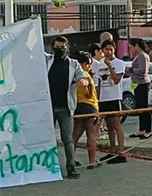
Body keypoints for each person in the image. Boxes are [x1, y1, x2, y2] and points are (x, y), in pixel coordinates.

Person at [47, 36, 89, 179]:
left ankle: (71, 168)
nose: (59, 50)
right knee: (47, 139)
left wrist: (83, 80)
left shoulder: (73, 64)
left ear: (67, 47)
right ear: (53, 47)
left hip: (66, 107)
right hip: (48, 107)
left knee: (68, 140)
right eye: (57, 47)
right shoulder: (46, 60)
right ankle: (48, 168)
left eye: (62, 47)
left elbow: (81, 76)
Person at [94, 40, 127, 164]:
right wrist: (97, 100)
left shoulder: (119, 63)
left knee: (116, 125)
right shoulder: (99, 65)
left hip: (115, 97)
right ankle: (112, 150)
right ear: (102, 50)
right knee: (109, 127)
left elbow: (116, 80)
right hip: (104, 98)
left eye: (111, 49)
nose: (109, 52)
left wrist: (109, 67)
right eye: (106, 49)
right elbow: (98, 84)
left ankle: (121, 151)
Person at [72, 52, 100, 170]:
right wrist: (91, 81)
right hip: (89, 106)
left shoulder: (73, 75)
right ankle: (92, 161)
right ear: (82, 64)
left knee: (75, 134)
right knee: (91, 134)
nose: (90, 66)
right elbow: (89, 94)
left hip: (78, 106)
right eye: (88, 64)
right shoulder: (86, 76)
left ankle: (70, 160)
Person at [128, 38, 152, 139]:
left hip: (143, 84)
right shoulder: (138, 55)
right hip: (137, 83)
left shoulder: (142, 55)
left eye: (131, 47)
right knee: (140, 107)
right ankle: (141, 129)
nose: (130, 49)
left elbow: (143, 70)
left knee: (144, 107)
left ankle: (148, 130)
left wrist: (131, 69)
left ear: (136, 46)